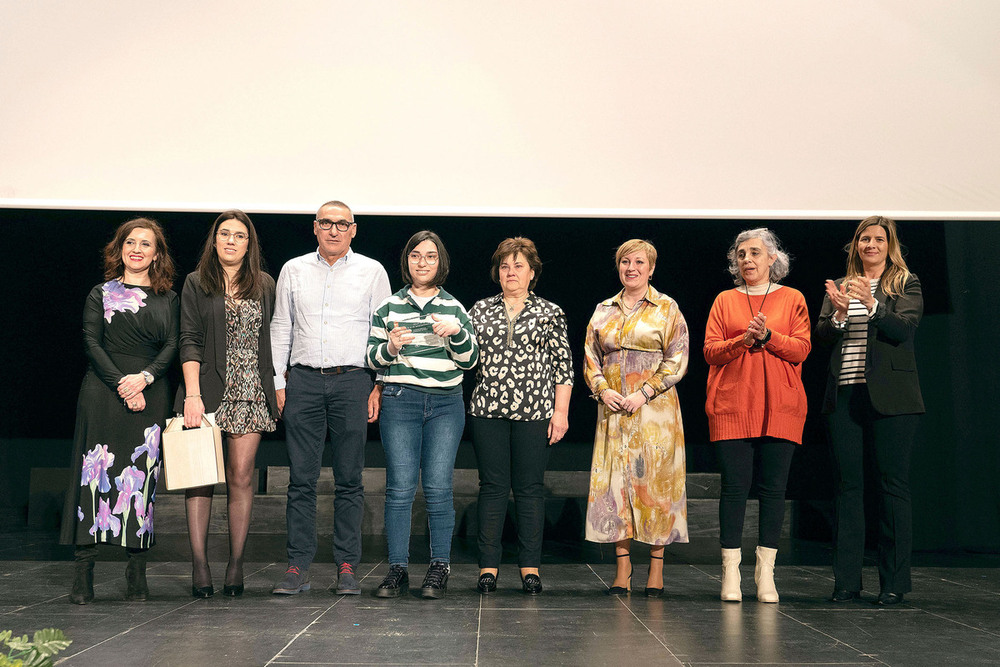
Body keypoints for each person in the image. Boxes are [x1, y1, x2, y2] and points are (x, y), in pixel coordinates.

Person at [270, 201, 391, 595]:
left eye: (342, 224)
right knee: (301, 479)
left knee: (349, 479)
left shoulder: (371, 271)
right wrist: (278, 381)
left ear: (353, 230)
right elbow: (281, 326)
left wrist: (379, 384)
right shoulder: (294, 269)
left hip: (353, 381)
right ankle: (297, 566)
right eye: (327, 223)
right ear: (315, 227)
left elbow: (384, 330)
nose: (334, 230)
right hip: (302, 380)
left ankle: (346, 566)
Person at [60, 218, 178, 604]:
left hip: (150, 391)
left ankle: (136, 574)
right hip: (102, 390)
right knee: (92, 478)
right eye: (131, 242)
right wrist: (123, 384)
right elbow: (91, 343)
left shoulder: (169, 298)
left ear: (157, 253)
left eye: (146, 243)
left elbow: (174, 345)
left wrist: (143, 379)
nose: (137, 248)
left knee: (141, 479)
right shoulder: (101, 293)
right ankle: (83, 573)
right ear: (120, 248)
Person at [816, 215, 924, 606]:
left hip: (893, 399)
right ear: (855, 245)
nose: (871, 245)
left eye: (878, 239)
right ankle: (846, 582)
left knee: (892, 487)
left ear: (889, 245)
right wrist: (841, 313)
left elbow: (904, 329)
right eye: (864, 239)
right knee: (848, 489)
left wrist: (872, 304)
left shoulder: (904, 283)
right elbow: (823, 332)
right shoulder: (841, 286)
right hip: (845, 394)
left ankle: (893, 583)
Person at [367, 231, 479, 599]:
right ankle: (397, 567)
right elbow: (372, 358)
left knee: (437, 486)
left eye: (430, 256)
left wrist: (456, 335)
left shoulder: (455, 308)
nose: (423, 263)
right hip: (401, 400)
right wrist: (391, 346)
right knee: (399, 488)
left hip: (446, 404)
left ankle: (438, 567)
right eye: (416, 256)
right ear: (407, 261)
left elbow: (470, 360)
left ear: (440, 262)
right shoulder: (388, 307)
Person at [703, 228, 811, 603]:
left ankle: (766, 574)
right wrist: (743, 341)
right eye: (740, 254)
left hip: (781, 406)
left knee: (773, 490)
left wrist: (767, 337)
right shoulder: (724, 300)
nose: (746, 259)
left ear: (772, 259)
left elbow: (801, 349)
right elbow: (710, 352)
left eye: (754, 253)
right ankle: (730, 573)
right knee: (734, 488)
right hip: (733, 405)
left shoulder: (793, 298)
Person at [174, 210, 278, 598]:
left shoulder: (265, 283)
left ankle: (235, 564)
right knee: (201, 477)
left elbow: (275, 336)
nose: (231, 241)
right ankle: (200, 565)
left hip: (252, 390)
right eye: (224, 234)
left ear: (249, 244)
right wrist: (192, 394)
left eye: (239, 235)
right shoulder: (196, 282)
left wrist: (277, 386)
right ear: (214, 241)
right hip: (207, 392)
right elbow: (189, 339)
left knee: (241, 476)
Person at [583, 239, 689, 597]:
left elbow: (676, 359)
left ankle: (656, 570)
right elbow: (590, 357)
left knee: (655, 486)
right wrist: (602, 389)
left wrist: (643, 392)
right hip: (613, 410)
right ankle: (623, 567)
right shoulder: (603, 309)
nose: (632, 268)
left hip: (654, 411)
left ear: (651, 268)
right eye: (625, 261)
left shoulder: (667, 307)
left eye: (639, 262)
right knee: (617, 486)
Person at [468, 237, 574, 595]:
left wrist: (561, 413)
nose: (510, 272)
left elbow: (563, 367)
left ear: (532, 272)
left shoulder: (550, 312)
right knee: (493, 488)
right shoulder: (479, 310)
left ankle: (530, 568)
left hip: (535, 412)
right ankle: (488, 567)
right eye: (504, 266)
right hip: (487, 410)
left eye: (518, 266)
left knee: (529, 489)